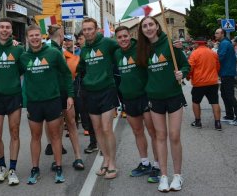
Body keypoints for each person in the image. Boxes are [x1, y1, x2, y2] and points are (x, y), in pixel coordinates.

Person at [136, 16, 190, 192]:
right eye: (145, 26)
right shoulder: (143, 49)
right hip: (154, 98)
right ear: (142, 30)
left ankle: (178, 176)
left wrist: (182, 73)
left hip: (174, 96)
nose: (148, 28)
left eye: (151, 24)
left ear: (157, 26)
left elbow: (186, 66)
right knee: (160, 136)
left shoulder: (171, 45)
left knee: (174, 135)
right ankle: (164, 177)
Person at [19, 25, 74, 185]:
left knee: (55, 136)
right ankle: (35, 169)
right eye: (31, 36)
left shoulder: (53, 53)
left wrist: (70, 95)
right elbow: (13, 73)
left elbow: (65, 73)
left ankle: (58, 167)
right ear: (27, 39)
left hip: (53, 100)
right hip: (34, 103)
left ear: (41, 37)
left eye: (37, 35)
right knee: (35, 137)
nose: (35, 38)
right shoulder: (23, 57)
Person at [114, 26, 160, 183]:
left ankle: (157, 166)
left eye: (125, 36)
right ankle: (145, 163)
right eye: (119, 37)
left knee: (153, 133)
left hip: (145, 96)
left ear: (130, 36)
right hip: (128, 99)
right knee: (137, 132)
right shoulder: (117, 54)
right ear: (116, 39)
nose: (123, 39)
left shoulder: (141, 48)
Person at [0, 18, 24, 186]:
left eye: (8, 27)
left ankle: (13, 169)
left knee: (14, 132)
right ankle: (2, 168)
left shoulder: (19, 49)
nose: (5, 30)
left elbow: (22, 70)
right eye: (2, 27)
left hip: (14, 96)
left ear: (11, 30)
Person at [78, 18, 120, 179]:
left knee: (107, 128)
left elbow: (125, 46)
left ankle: (113, 164)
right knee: (97, 130)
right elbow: (82, 68)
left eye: (90, 29)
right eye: (85, 30)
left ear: (97, 29)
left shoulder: (107, 43)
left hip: (107, 90)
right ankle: (106, 160)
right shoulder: (84, 50)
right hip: (90, 93)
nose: (87, 32)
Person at [46, 25, 83, 171]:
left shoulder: (60, 51)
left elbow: (67, 74)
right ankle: (76, 158)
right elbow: (69, 74)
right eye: (63, 35)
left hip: (60, 93)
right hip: (60, 93)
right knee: (69, 124)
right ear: (60, 35)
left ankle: (67, 159)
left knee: (64, 126)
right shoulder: (53, 51)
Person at [187, 38, 222, 130]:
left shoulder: (194, 53)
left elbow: (190, 68)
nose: (193, 45)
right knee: (215, 102)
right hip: (212, 82)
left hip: (199, 83)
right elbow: (218, 67)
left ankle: (198, 122)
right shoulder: (213, 53)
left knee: (196, 102)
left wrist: (187, 76)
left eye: (194, 44)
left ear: (197, 44)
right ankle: (218, 124)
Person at [214, 28, 237, 126]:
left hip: (227, 73)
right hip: (226, 73)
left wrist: (211, 63)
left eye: (217, 33)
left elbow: (220, 57)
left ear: (222, 34)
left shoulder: (224, 44)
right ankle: (230, 115)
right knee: (224, 94)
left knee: (229, 95)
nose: (215, 35)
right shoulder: (226, 42)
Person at [76, 30, 98, 153]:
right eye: (78, 39)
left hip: (97, 89)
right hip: (83, 88)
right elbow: (79, 70)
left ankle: (103, 144)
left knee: (98, 118)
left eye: (81, 38)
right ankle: (93, 142)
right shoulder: (81, 52)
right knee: (87, 116)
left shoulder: (94, 50)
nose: (79, 41)